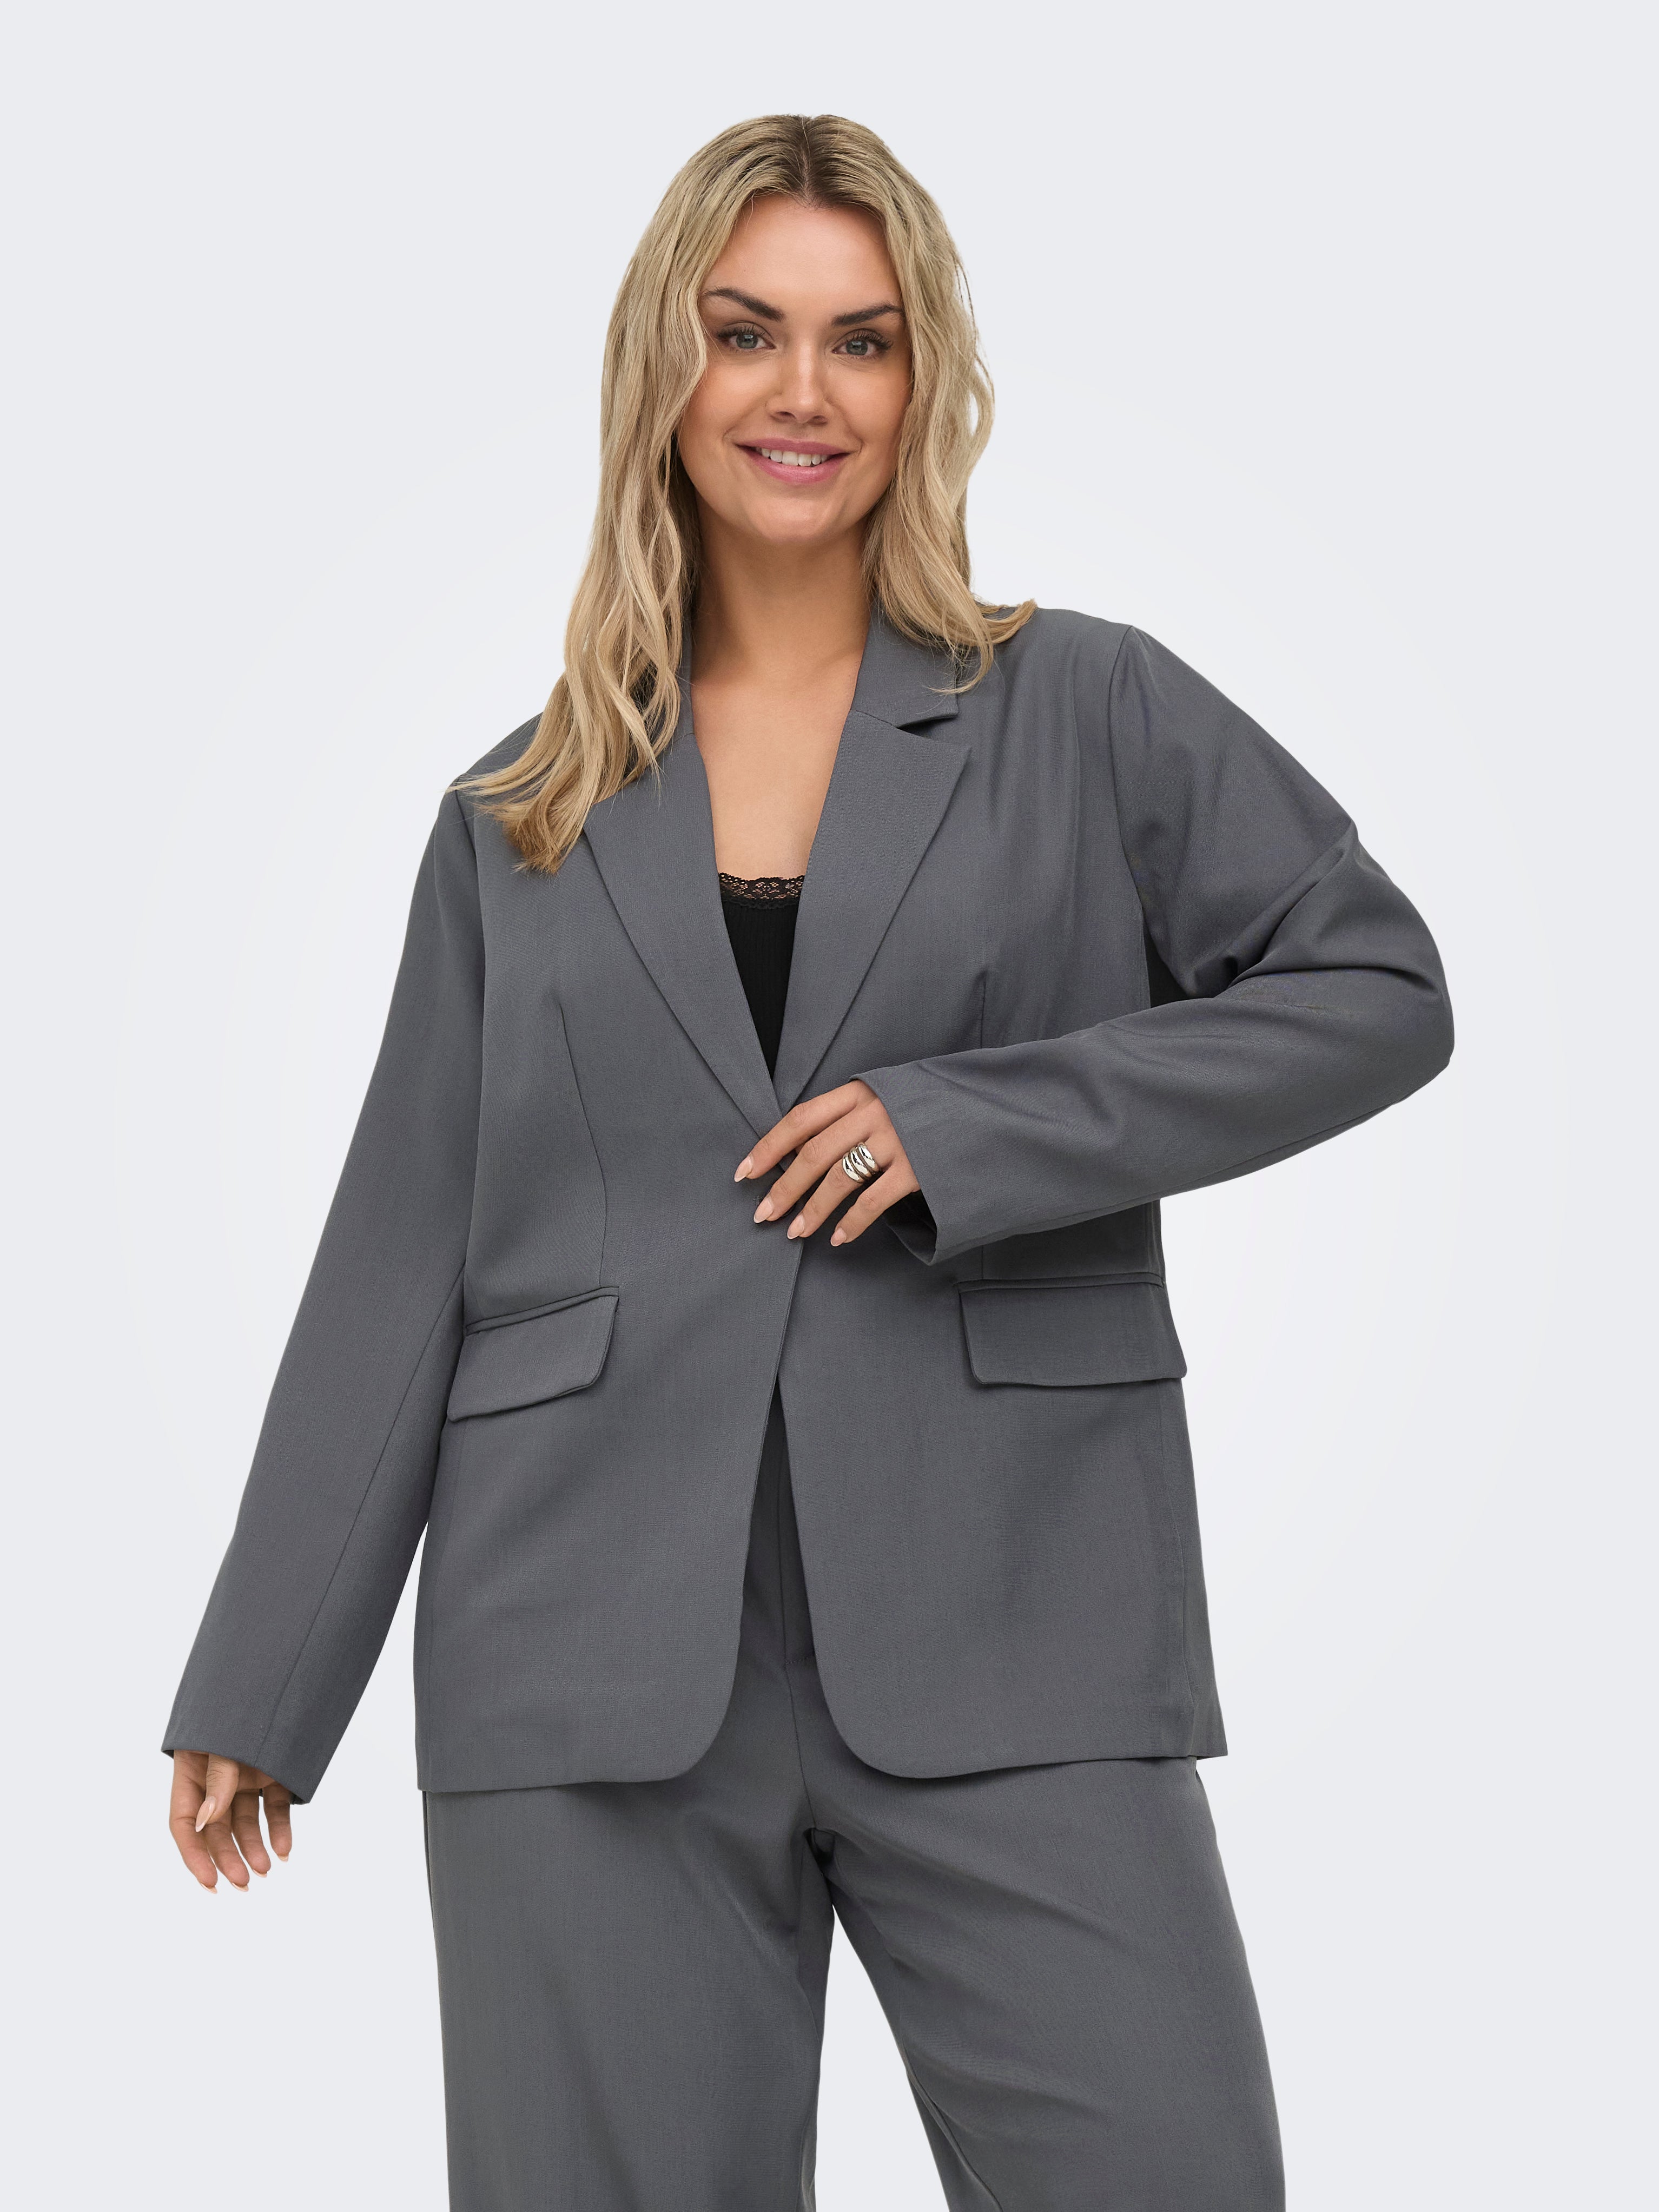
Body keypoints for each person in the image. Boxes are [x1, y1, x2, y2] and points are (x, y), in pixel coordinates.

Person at [164, 113, 1452, 2211]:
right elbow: (401, 1248)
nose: (802, 390)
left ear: (923, 378)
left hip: (1018, 1604)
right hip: (579, 1645)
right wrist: (265, 1673)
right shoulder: (517, 811)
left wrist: (974, 1125)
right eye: (745, 330)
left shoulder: (1085, 707)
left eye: (861, 339)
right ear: (660, 370)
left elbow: (1372, 988)